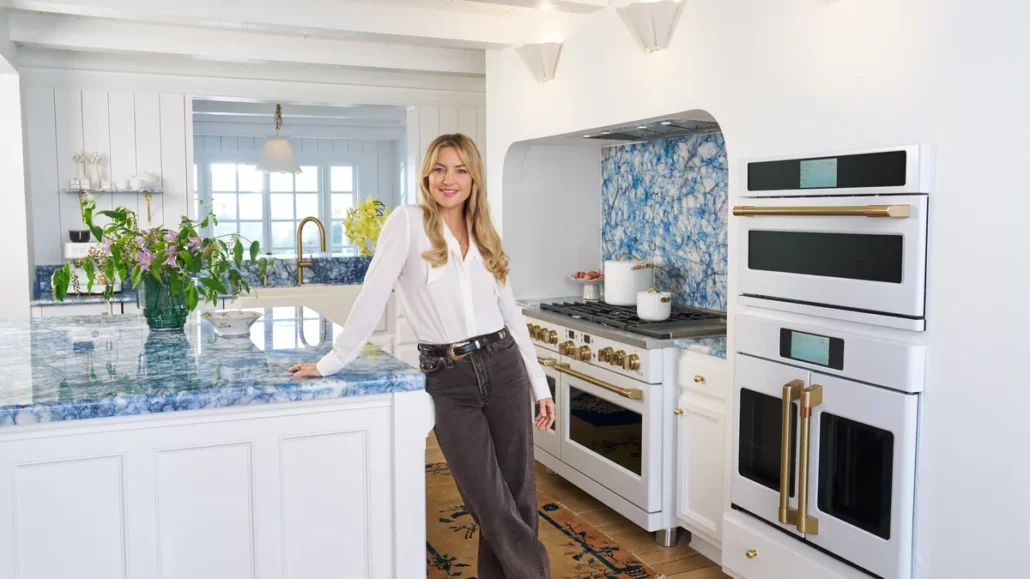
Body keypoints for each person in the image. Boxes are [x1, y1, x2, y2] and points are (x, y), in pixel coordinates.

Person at [289, 133, 554, 579]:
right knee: (491, 504)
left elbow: (512, 314)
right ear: (426, 176)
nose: (449, 179)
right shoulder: (407, 223)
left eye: (460, 170)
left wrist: (539, 385)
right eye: (439, 169)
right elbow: (372, 296)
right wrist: (331, 362)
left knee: (519, 498)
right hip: (449, 379)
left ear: (474, 178)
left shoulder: (485, 233)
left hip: (504, 366)